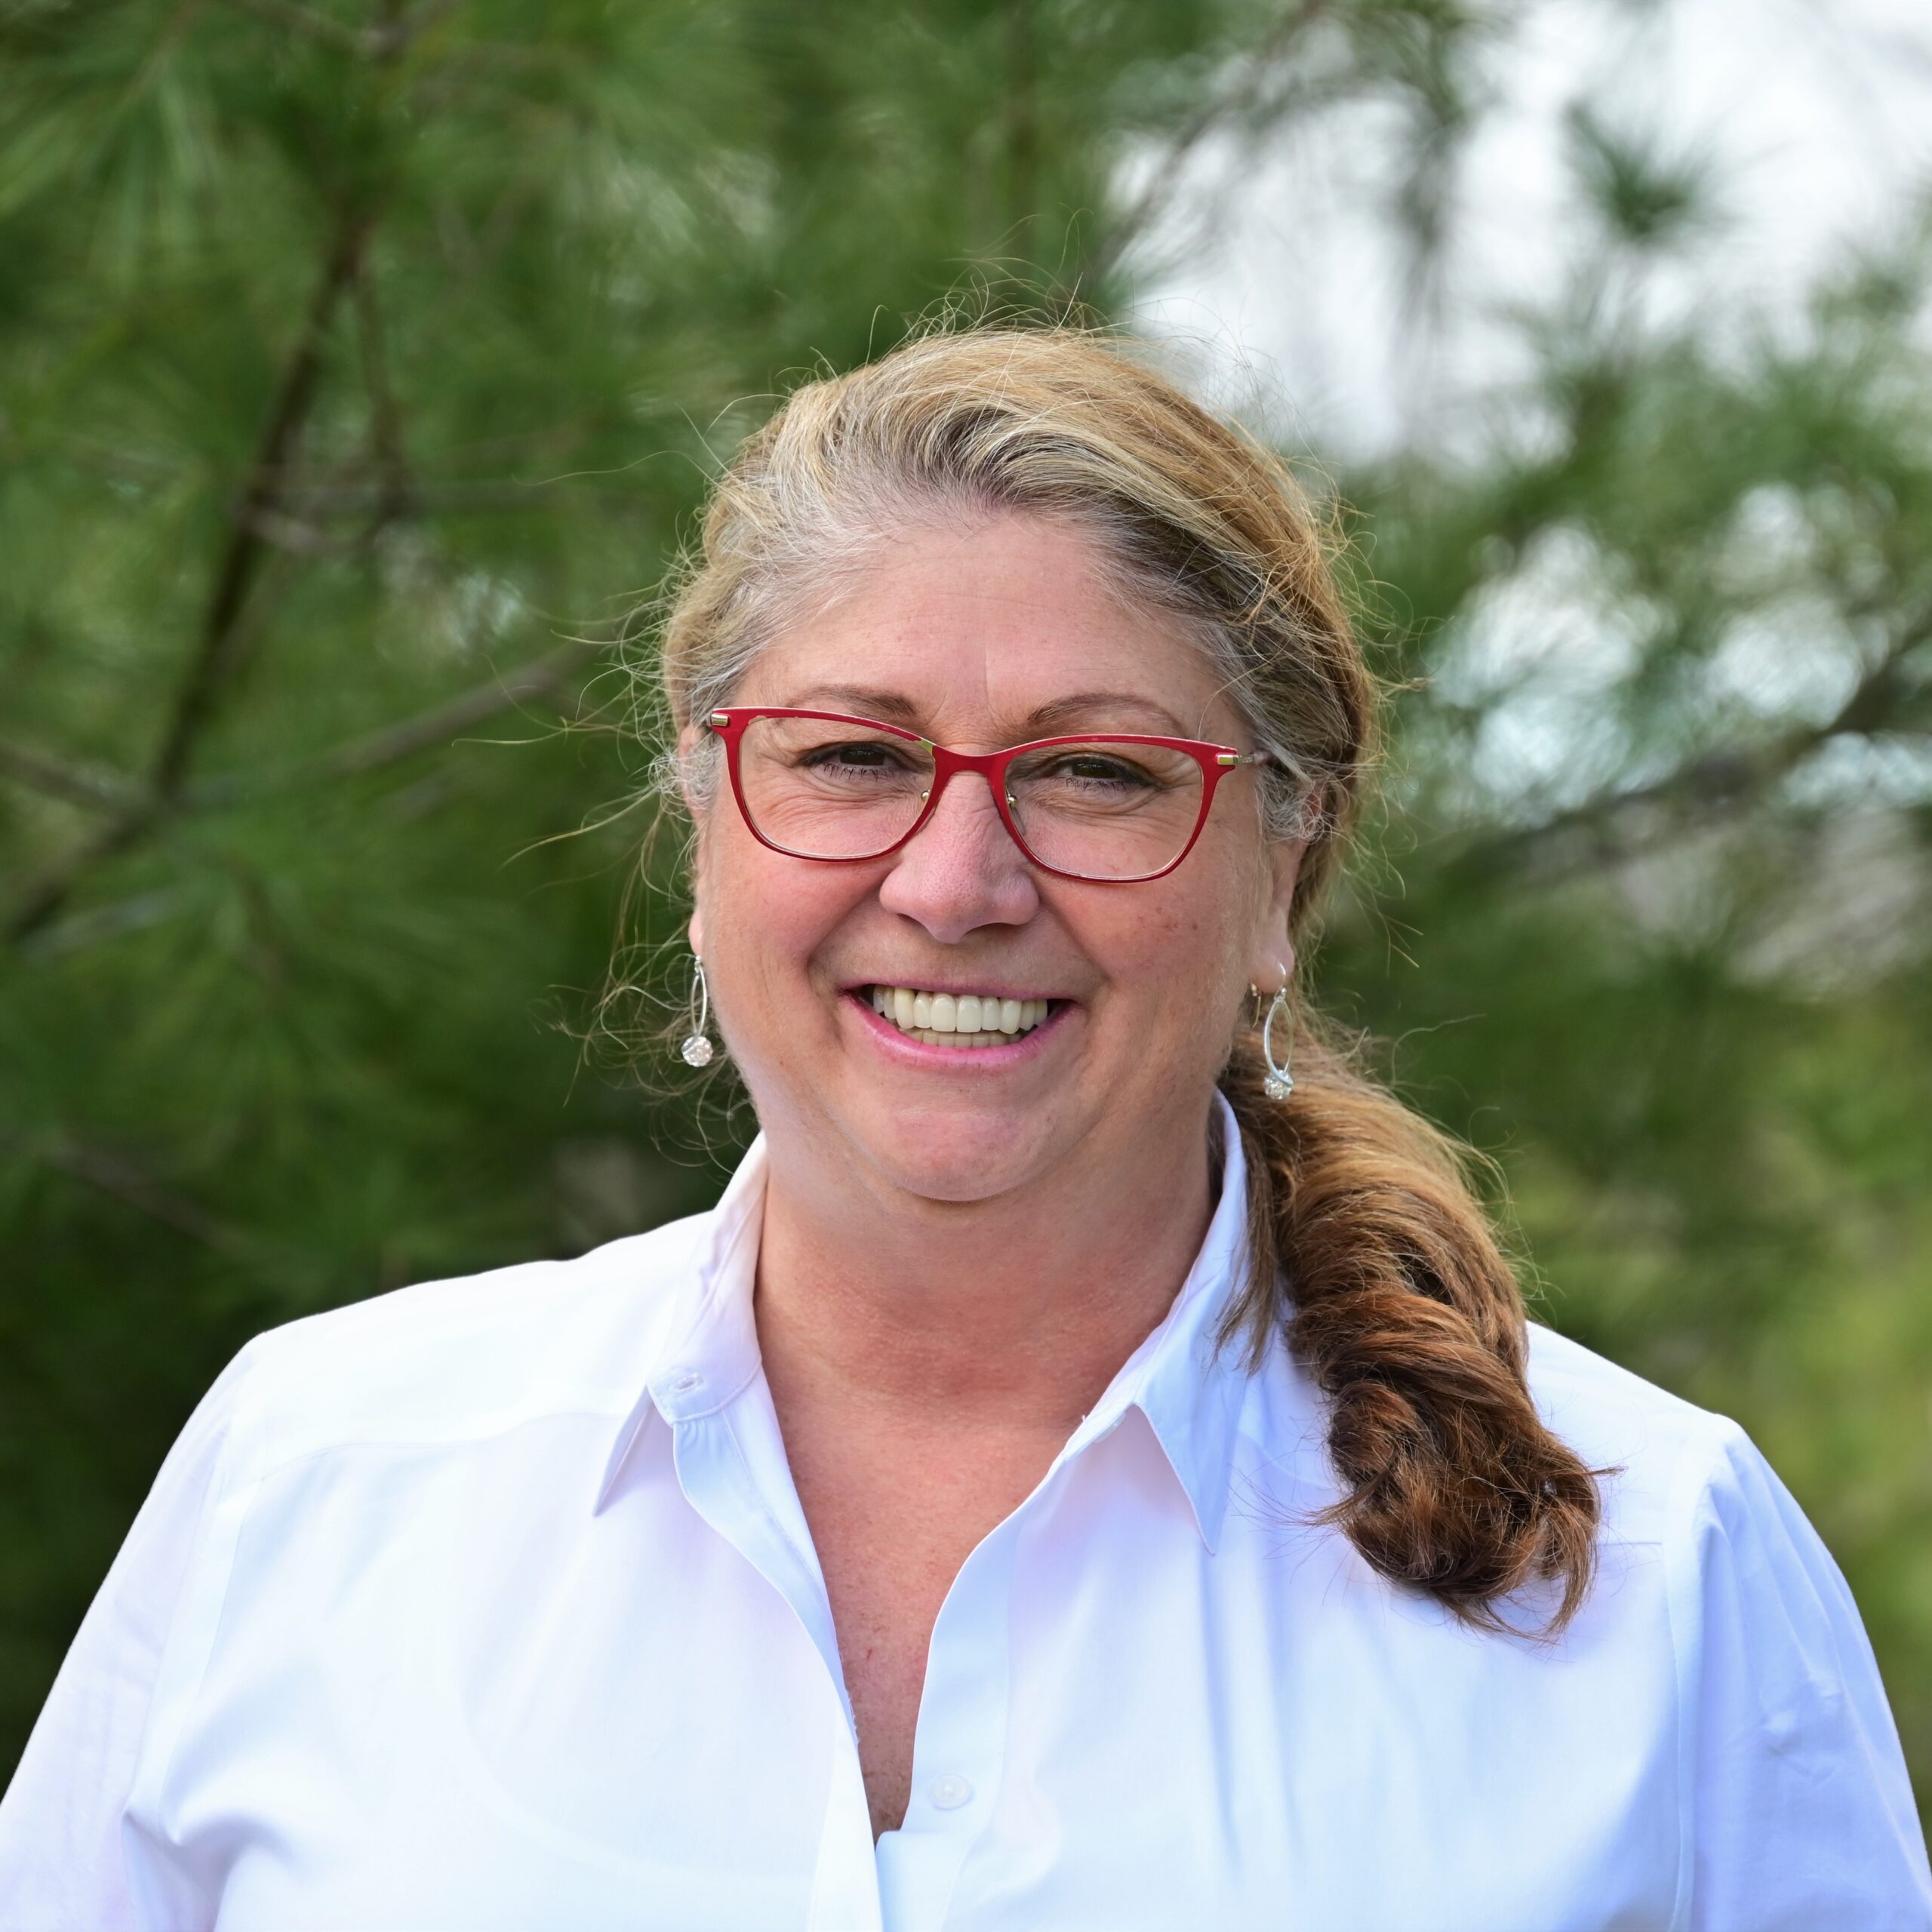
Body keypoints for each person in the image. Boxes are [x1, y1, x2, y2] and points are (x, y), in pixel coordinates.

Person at [2, 327, 1927, 1932]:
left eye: (1095, 771)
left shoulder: (1656, 1570)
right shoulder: (322, 1477)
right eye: (849, 754)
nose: (954, 876)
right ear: (700, 834)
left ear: (1282, 870)